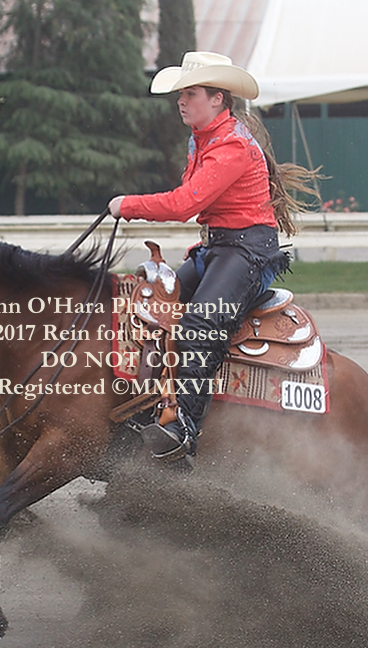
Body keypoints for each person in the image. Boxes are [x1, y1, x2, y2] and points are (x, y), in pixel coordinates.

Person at [108, 51, 318, 460]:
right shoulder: (204, 139)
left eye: (191, 93)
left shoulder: (232, 146)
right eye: (181, 94)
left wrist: (127, 205)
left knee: (200, 322)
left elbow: (184, 204)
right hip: (220, 249)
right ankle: (148, 404)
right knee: (150, 309)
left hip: (247, 253)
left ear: (217, 99)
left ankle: (184, 429)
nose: (181, 101)